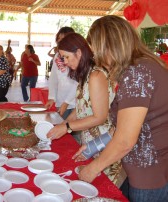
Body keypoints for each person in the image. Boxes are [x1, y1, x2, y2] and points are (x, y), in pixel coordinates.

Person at [74, 15, 168, 202]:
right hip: (150, 172)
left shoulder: (137, 74)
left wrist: (93, 169)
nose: (97, 58)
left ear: (110, 46)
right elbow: (120, 128)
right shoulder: (144, 66)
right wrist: (92, 147)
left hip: (149, 177)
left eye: (98, 51)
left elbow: (124, 140)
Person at [46, 32, 123, 184]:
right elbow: (81, 107)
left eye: (66, 57)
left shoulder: (96, 75)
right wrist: (63, 124)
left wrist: (67, 127)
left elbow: (99, 117)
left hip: (103, 143)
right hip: (91, 144)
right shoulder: (86, 75)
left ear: (79, 52)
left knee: (101, 189)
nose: (65, 62)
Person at [45, 27, 78, 120]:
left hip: (75, 102)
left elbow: (78, 82)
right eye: (59, 39)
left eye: (64, 38)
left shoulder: (77, 56)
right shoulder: (57, 56)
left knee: (73, 130)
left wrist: (67, 102)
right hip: (61, 100)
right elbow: (53, 78)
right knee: (62, 127)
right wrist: (52, 97)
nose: (60, 41)